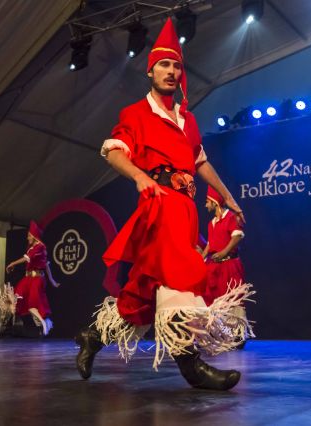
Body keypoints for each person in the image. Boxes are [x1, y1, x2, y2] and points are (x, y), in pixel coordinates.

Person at [75, 18, 253, 391]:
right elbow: (113, 150)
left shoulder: (187, 121)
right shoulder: (135, 115)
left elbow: (201, 162)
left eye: (177, 66)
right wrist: (139, 176)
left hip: (185, 212)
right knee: (179, 281)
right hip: (160, 207)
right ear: (150, 70)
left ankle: (93, 337)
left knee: (143, 294)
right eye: (164, 65)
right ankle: (192, 367)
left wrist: (229, 197)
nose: (171, 72)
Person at [201, 186, 251, 347]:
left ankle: (238, 336)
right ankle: (222, 335)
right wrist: (201, 258)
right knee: (216, 300)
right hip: (215, 267)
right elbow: (210, 244)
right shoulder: (211, 223)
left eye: (207, 202)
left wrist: (224, 252)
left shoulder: (230, 217)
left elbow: (238, 236)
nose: (205, 205)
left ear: (215, 202)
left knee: (233, 299)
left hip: (230, 265)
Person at [5, 221, 59, 336]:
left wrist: (13, 263)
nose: (27, 237)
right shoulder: (32, 247)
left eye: (29, 235)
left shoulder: (40, 247)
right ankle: (9, 324)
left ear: (34, 236)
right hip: (28, 278)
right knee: (16, 297)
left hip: (37, 279)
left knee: (34, 302)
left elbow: (41, 264)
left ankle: (44, 323)